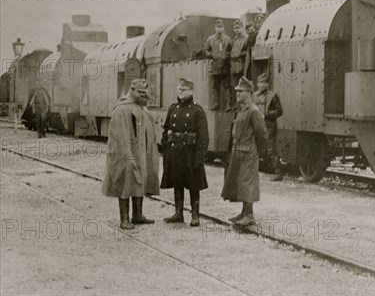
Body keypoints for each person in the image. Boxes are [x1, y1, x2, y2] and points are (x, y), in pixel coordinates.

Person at [102, 79, 160, 230]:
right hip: (125, 155)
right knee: (126, 182)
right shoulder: (122, 109)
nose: (143, 96)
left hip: (141, 154)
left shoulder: (143, 110)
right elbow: (119, 136)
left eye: (145, 93)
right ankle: (124, 218)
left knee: (139, 180)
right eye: (140, 93)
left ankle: (138, 214)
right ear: (132, 90)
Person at [160, 78, 209, 227]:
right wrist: (166, 148)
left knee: (193, 185)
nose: (180, 92)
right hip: (175, 152)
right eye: (179, 89)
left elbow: (204, 137)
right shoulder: (173, 109)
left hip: (190, 153)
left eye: (184, 90)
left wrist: (198, 158)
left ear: (191, 92)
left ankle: (195, 215)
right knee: (177, 182)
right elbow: (166, 129)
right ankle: (178, 213)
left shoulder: (197, 111)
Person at [221, 77, 267, 226]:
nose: (237, 94)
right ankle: (244, 212)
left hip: (248, 153)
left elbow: (261, 133)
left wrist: (260, 153)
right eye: (237, 91)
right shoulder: (241, 110)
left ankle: (249, 215)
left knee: (247, 183)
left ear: (248, 93)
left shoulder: (253, 111)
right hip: (238, 151)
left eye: (240, 91)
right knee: (240, 183)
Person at [253, 73, 284, 181]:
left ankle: (278, 172)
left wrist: (267, 113)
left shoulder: (273, 95)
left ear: (267, 84)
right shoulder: (254, 96)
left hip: (269, 125)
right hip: (257, 125)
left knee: (271, 149)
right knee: (255, 148)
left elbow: (279, 111)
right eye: (260, 83)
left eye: (264, 83)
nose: (262, 85)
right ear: (257, 84)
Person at [204, 18, 232, 110]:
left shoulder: (227, 39)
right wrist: (211, 54)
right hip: (215, 66)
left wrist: (226, 55)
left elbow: (231, 50)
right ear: (215, 28)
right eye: (217, 27)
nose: (219, 29)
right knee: (215, 86)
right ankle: (217, 104)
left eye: (220, 27)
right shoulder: (210, 39)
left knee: (227, 86)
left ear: (223, 28)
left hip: (225, 65)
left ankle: (228, 105)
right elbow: (206, 50)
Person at [230, 19, 248, 110]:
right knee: (234, 85)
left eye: (239, 28)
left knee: (242, 85)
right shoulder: (234, 39)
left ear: (242, 28)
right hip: (234, 64)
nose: (237, 30)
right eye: (235, 28)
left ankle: (242, 104)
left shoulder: (246, 39)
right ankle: (236, 104)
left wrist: (240, 55)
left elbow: (247, 52)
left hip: (242, 63)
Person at [244, 13, 264, 79]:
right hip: (254, 59)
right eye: (257, 22)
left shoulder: (267, 32)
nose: (259, 24)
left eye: (260, 22)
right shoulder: (254, 34)